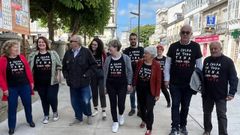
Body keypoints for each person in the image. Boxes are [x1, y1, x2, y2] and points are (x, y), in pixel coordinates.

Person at [164, 24, 203, 135]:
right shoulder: (173, 46)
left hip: (189, 84)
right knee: (175, 104)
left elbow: (199, 66)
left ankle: (183, 125)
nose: (185, 34)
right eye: (183, 32)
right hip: (175, 83)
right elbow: (167, 64)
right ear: (180, 33)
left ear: (191, 34)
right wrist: (166, 79)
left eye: (187, 32)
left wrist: (199, 82)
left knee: (185, 106)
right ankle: (174, 127)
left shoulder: (195, 47)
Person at [202, 42, 238, 135]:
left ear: (220, 49)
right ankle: (207, 130)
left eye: (215, 49)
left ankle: (223, 133)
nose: (213, 50)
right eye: (211, 49)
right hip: (207, 94)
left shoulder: (228, 61)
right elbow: (203, 76)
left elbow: (233, 78)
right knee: (206, 113)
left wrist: (232, 93)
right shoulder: (206, 60)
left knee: (221, 115)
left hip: (221, 95)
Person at [0, 40, 35, 135]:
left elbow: (27, 70)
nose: (17, 49)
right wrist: (4, 88)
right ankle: (11, 126)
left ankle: (30, 120)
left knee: (27, 105)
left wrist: (31, 82)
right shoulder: (3, 59)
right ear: (8, 48)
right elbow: (0, 76)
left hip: (25, 86)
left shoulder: (22, 57)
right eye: (15, 47)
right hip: (12, 88)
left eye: (18, 47)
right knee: (12, 107)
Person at [62, 35, 97, 126]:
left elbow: (93, 65)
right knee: (74, 102)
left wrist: (86, 75)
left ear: (77, 43)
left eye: (71, 41)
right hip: (72, 83)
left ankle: (88, 115)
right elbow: (64, 67)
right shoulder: (68, 53)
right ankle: (78, 117)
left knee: (85, 100)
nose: (70, 43)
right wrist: (66, 77)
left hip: (84, 82)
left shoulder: (86, 52)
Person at [28, 36, 62, 124]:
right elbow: (28, 68)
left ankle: (55, 112)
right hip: (39, 82)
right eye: (39, 42)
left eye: (43, 42)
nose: (41, 44)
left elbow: (59, 65)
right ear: (37, 44)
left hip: (52, 81)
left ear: (46, 44)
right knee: (44, 99)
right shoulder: (33, 55)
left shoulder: (53, 53)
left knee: (51, 97)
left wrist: (59, 75)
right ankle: (46, 115)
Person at [103, 39, 133, 133]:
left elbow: (129, 71)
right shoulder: (108, 59)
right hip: (111, 85)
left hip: (122, 85)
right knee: (113, 104)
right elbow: (105, 73)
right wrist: (104, 86)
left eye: (110, 47)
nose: (108, 49)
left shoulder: (125, 58)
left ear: (116, 47)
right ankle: (115, 122)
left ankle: (121, 115)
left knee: (121, 104)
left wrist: (129, 83)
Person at [134, 46, 161, 135]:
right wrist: (134, 84)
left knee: (149, 109)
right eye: (144, 53)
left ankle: (149, 128)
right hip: (140, 88)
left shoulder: (156, 64)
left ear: (152, 55)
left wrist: (157, 94)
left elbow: (158, 80)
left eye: (146, 53)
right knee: (141, 108)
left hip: (150, 90)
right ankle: (144, 120)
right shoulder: (140, 62)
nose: (144, 54)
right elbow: (136, 74)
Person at [123, 33, 144, 116]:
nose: (133, 40)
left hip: (139, 75)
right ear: (129, 40)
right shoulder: (126, 50)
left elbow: (142, 61)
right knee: (132, 93)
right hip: (130, 75)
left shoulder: (141, 49)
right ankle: (133, 108)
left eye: (134, 39)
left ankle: (140, 109)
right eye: (131, 39)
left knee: (140, 94)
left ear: (137, 39)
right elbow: (125, 63)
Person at [88, 38, 107, 120]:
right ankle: (95, 109)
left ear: (98, 45)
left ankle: (103, 110)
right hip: (92, 75)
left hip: (101, 75)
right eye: (92, 44)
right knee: (94, 92)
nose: (93, 46)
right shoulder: (89, 53)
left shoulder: (102, 53)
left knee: (102, 92)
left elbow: (106, 64)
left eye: (95, 45)